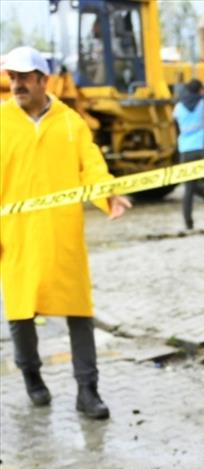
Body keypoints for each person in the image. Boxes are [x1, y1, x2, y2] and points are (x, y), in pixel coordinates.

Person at [1, 45, 127, 419]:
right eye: (12, 77)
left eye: (25, 76)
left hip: (63, 232)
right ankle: (32, 376)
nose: (17, 83)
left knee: (78, 309)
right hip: (15, 234)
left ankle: (87, 391)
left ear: (44, 80)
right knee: (21, 311)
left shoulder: (71, 123)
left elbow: (92, 168)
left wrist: (109, 196)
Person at [172, 78, 204, 231]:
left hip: (185, 150)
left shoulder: (178, 107)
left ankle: (188, 222)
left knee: (189, 189)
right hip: (203, 147)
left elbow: (175, 127)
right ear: (199, 90)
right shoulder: (203, 103)